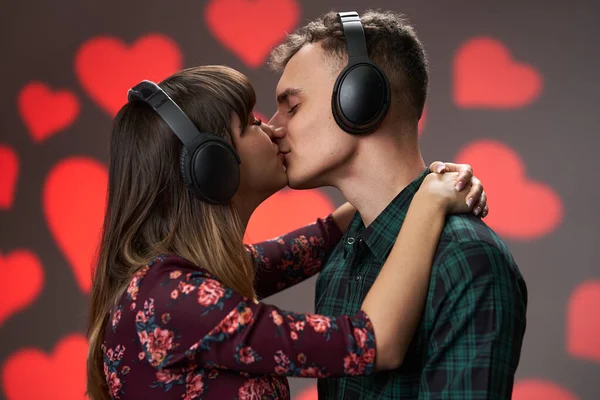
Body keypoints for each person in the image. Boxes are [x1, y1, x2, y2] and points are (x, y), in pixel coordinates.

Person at [85, 65, 489, 399]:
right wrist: (430, 204)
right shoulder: (173, 298)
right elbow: (371, 342)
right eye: (252, 124)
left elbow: (321, 238)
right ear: (212, 166)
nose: (274, 131)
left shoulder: (179, 282)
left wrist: (425, 181)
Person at [267, 9, 528, 399]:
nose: (273, 126)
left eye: (292, 106)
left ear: (360, 99)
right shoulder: (342, 255)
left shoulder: (466, 258)